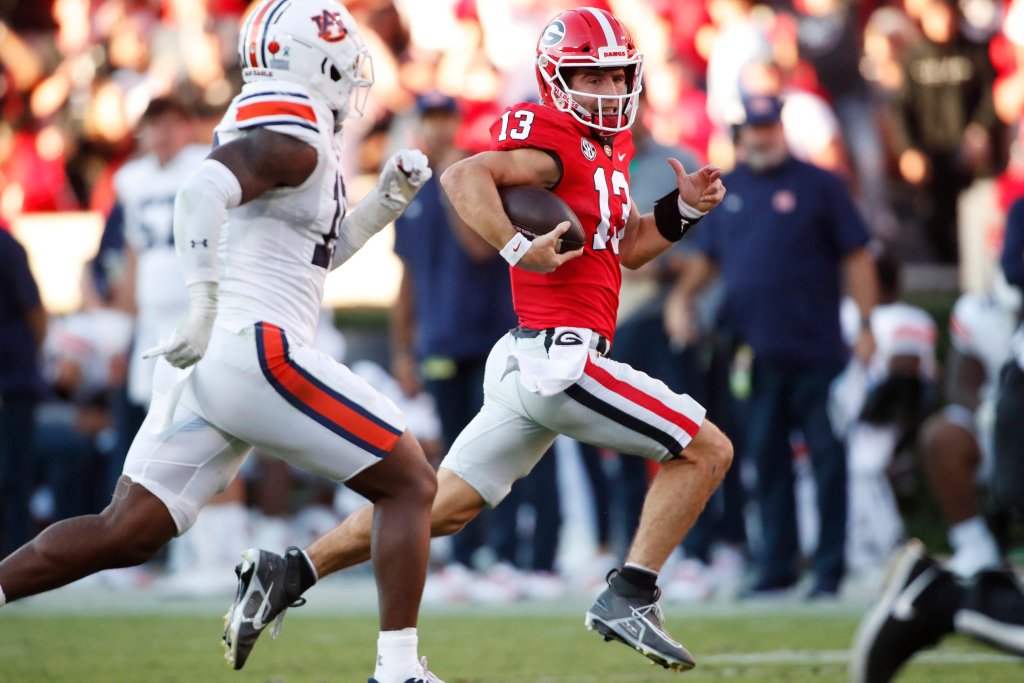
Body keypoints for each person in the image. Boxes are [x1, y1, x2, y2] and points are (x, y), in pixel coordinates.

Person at [224, 6, 733, 674]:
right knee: (705, 449)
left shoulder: (608, 149)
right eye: (593, 79)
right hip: (561, 359)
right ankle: (630, 592)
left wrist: (683, 210)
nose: (609, 93)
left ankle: (290, 570)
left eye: (617, 79)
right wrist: (515, 244)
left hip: (533, 363)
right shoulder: (549, 136)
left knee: (438, 507)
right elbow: (464, 176)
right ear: (558, 80)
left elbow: (629, 247)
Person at [0, 3, 444, 682]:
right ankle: (398, 670)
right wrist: (202, 300)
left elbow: (315, 259)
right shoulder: (292, 130)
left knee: (129, 528)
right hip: (257, 350)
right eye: (342, 66)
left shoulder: (291, 135)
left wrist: (383, 202)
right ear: (311, 61)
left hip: (222, 363)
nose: (351, 83)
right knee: (411, 479)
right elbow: (199, 190)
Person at [667, 93, 879, 599]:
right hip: (752, 352)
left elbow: (856, 257)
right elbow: (709, 260)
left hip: (817, 352)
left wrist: (868, 323)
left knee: (827, 458)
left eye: (770, 126)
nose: (763, 136)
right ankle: (775, 564)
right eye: (753, 128)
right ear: (738, 136)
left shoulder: (821, 185)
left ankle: (829, 568)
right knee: (766, 459)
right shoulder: (727, 191)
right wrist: (683, 300)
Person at [849, 205, 1024, 682]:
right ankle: (958, 582)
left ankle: (938, 598)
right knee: (941, 436)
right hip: (1006, 420)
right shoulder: (982, 310)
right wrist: (988, 411)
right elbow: (961, 385)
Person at [834, 250, 937, 576]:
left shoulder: (908, 318)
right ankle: (856, 546)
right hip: (840, 414)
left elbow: (907, 383)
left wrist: (878, 417)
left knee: (863, 468)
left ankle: (891, 546)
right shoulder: (846, 312)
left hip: (879, 420)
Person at [0, 226, 46, 555]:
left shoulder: (5, 247)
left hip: (10, 381)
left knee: (13, 475)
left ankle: (16, 560)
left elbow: (34, 310)